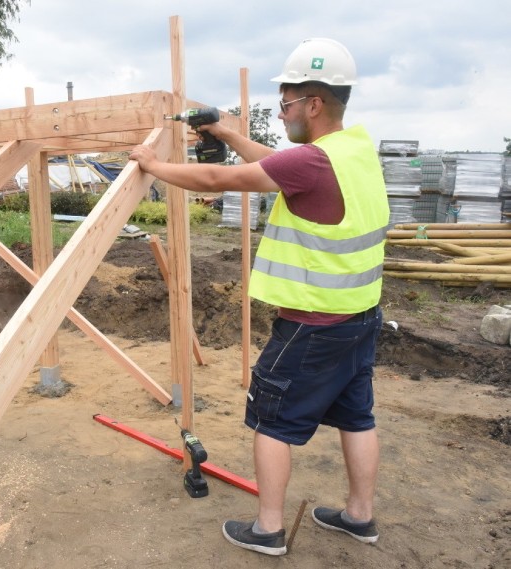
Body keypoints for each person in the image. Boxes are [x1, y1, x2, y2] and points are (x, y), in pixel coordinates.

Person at [129, 38, 390, 556]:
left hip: (311, 325)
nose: (282, 110)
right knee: (357, 416)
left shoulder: (314, 162)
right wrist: (226, 130)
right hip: (358, 318)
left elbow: (215, 176)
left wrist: (151, 165)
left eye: (288, 101)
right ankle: (360, 516)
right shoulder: (353, 151)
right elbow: (279, 163)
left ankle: (268, 530)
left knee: (272, 422)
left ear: (314, 104)